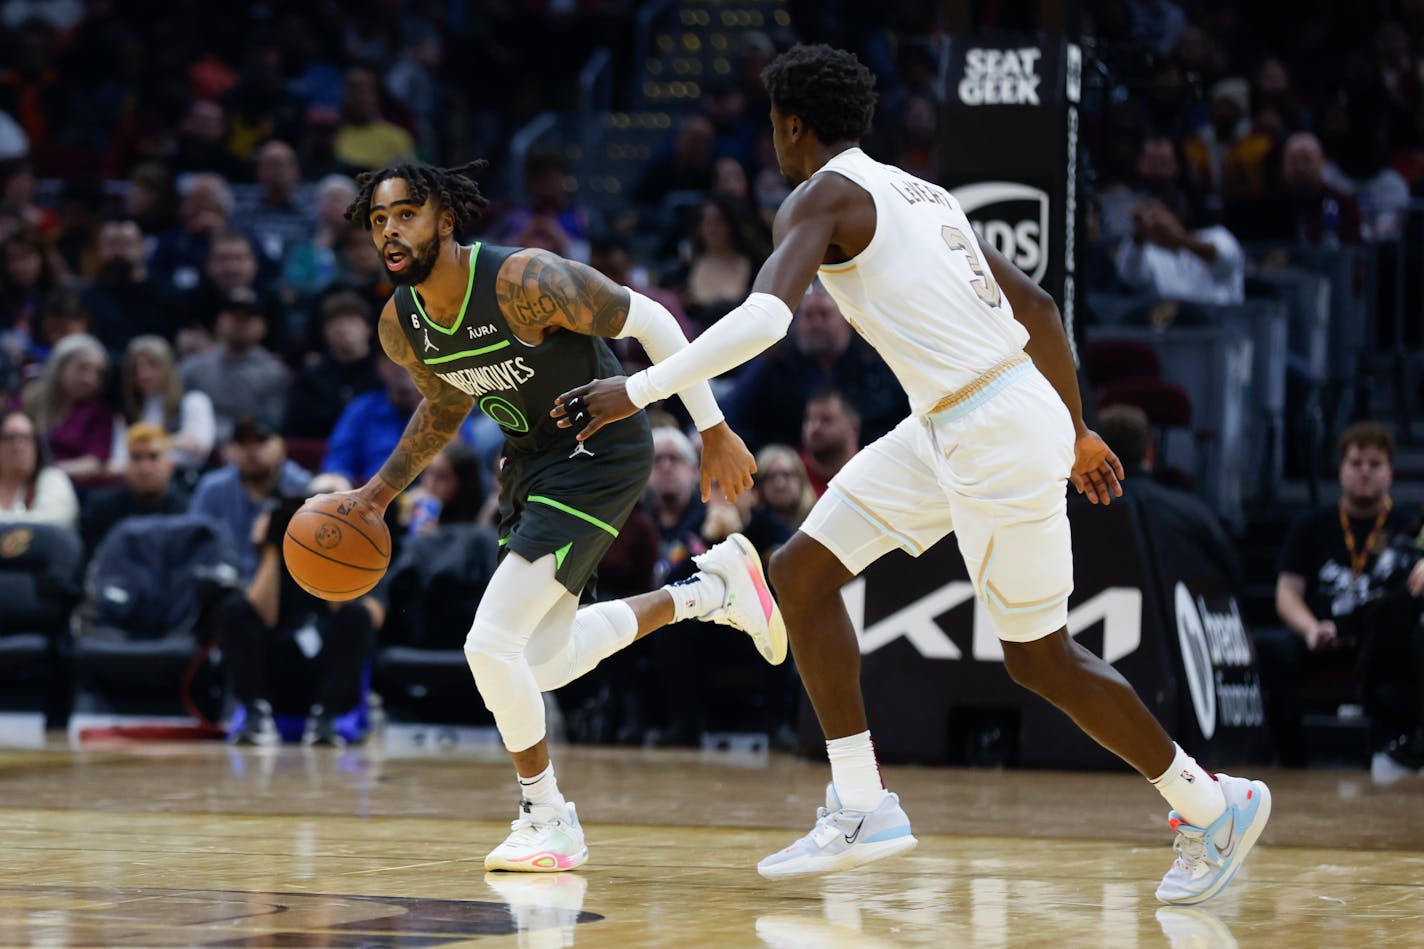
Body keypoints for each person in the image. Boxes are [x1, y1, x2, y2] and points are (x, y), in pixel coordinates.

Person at [555, 44, 1272, 903]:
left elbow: (765, 318)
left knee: (1041, 659)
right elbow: (1037, 307)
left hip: (992, 428)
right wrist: (1076, 429)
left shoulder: (818, 194)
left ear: (791, 125)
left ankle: (1210, 803)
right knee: (801, 572)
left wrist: (636, 388)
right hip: (957, 418)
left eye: (775, 126)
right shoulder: (922, 194)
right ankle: (862, 802)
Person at [332, 159, 784, 872]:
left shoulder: (525, 282)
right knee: (542, 658)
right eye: (379, 219)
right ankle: (711, 590)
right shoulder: (400, 324)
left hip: (601, 451)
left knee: (489, 645)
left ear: (446, 220)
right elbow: (447, 403)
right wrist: (377, 494)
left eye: (405, 214)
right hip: (535, 463)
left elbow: (657, 320)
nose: (389, 230)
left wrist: (711, 428)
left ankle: (547, 815)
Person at [1264, 421, 1423, 768]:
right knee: (1274, 650)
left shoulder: (1409, 526)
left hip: (1382, 643)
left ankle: (1398, 749)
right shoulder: (1310, 525)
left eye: (1375, 464)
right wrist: (1310, 629)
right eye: (1356, 463)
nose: (1364, 472)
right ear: (1341, 471)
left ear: (1390, 473)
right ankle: (1291, 760)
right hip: (1325, 634)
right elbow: (1287, 593)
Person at [113, 335, 216, 474]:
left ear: (168, 367)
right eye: (137, 368)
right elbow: (119, 462)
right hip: (138, 482)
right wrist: (175, 442)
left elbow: (200, 447)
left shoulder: (193, 401)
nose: (144, 374)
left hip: (182, 480)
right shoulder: (128, 412)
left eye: (152, 365)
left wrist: (153, 445)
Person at [81, 422, 189, 552]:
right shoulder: (100, 508)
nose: (145, 468)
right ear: (125, 466)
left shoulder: (187, 511)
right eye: (136, 457)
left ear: (170, 465)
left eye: (153, 457)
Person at [23, 332, 117, 479]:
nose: (90, 379)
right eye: (82, 368)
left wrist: (49, 472)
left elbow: (95, 462)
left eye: (98, 373)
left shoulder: (100, 413)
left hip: (76, 489)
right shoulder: (30, 400)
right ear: (60, 366)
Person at [0, 408, 77, 528]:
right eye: (10, 438)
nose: (18, 446)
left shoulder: (53, 480)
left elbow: (51, 524)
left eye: (26, 438)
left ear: (36, 446)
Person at [797, 388, 860, 495]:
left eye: (826, 420)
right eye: (809, 419)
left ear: (853, 428)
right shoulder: (792, 475)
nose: (814, 428)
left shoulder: (872, 471)